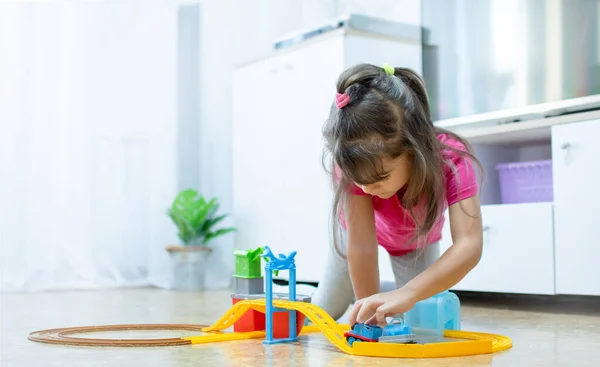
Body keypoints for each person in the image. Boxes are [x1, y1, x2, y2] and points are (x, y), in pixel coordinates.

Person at [312, 63, 483, 327]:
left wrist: (408, 293)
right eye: (360, 181)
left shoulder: (452, 161)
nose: (367, 189)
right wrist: (368, 315)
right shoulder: (355, 163)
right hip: (356, 239)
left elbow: (469, 245)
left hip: (414, 242)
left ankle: (392, 290)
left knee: (419, 320)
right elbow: (362, 246)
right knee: (323, 312)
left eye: (378, 178)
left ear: (414, 147)